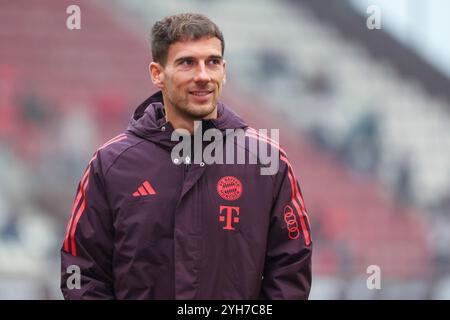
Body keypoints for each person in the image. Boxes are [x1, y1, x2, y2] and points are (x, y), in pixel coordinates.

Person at [60, 13, 312, 300]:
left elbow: (291, 269)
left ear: (225, 70)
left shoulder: (266, 161)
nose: (203, 76)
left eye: (212, 62)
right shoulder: (111, 164)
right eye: (187, 63)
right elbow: (82, 272)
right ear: (157, 73)